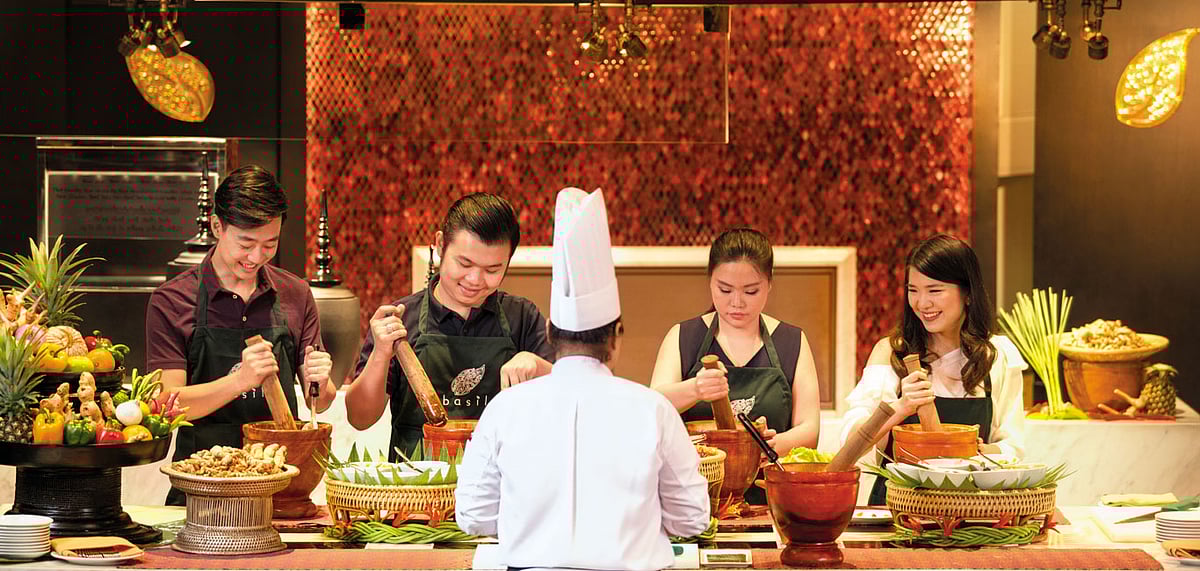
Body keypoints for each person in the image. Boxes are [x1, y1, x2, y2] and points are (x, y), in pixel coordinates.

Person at [456, 187, 710, 570]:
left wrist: (529, 528)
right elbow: (692, 519)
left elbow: (473, 516)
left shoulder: (505, 407)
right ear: (617, 336)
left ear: (549, 331)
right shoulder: (653, 410)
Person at [145, 165, 337, 505]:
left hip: (279, 490)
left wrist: (321, 383)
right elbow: (166, 406)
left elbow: (319, 401)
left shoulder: (295, 294)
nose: (256, 257)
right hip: (200, 491)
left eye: (269, 244)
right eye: (246, 243)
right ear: (217, 226)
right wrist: (240, 381)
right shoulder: (172, 300)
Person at [345, 193, 554, 458]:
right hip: (415, 480)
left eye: (492, 270)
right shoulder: (401, 319)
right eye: (464, 263)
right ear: (440, 244)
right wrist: (381, 354)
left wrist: (538, 366)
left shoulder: (522, 317)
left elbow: (571, 394)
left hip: (498, 478)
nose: (475, 279)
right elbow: (359, 418)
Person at [838, 234, 1027, 505]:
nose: (922, 303)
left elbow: (1013, 447)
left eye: (934, 291)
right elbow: (851, 445)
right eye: (913, 290)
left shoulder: (997, 356)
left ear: (968, 293)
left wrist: (976, 452)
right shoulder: (891, 353)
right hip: (896, 507)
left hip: (969, 508)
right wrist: (899, 409)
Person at [650, 229, 821, 472]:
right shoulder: (683, 337)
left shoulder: (791, 341)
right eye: (725, 290)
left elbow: (810, 428)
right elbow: (653, 407)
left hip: (769, 486)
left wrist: (773, 444)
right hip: (697, 486)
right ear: (710, 281)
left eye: (751, 291)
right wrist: (695, 389)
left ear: (769, 284)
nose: (737, 303)